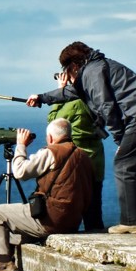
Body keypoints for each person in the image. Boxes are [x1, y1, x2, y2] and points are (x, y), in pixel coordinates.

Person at [27, 42, 136, 235]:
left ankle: (132, 222)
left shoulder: (92, 72)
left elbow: (106, 105)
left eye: (65, 69)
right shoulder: (95, 69)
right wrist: (41, 97)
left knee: (124, 165)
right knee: (128, 166)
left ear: (72, 66)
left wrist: (119, 138)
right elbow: (71, 92)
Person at [0, 118, 93, 271]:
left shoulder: (50, 152)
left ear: (51, 138)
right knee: (11, 234)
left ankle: (5, 266)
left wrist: (21, 146)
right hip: (72, 220)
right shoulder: (83, 155)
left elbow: (20, 172)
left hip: (51, 219)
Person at [47, 87, 105, 231]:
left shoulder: (75, 104)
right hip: (96, 158)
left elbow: (54, 123)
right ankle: (96, 233)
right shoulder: (97, 100)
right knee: (94, 208)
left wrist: (60, 93)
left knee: (73, 204)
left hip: (76, 162)